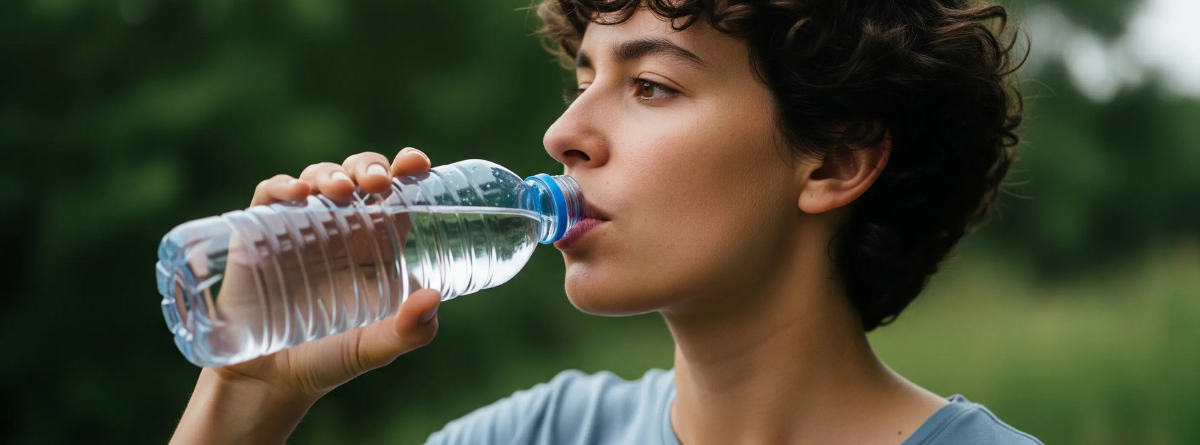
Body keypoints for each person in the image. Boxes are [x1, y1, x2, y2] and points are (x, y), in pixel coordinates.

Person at [169, 0, 1042, 444]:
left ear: (835, 161)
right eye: (582, 78)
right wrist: (251, 398)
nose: (563, 135)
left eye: (651, 85)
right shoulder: (533, 436)